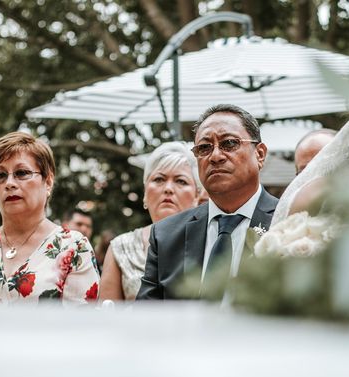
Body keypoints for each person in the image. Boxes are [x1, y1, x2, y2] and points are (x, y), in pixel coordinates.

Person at [136, 104, 279, 300]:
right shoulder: (166, 235)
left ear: (260, 154)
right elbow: (147, 318)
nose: (216, 156)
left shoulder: (288, 220)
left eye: (229, 143)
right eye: (204, 148)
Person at [0, 131, 100, 303]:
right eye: (1, 175)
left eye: (22, 173)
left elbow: (81, 325)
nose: (9, 183)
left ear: (48, 182)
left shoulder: (74, 247)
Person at [99, 142, 200, 301]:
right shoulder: (121, 248)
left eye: (181, 181)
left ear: (197, 196)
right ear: (145, 193)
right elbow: (107, 318)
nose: (168, 188)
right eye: (159, 179)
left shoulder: (209, 242)